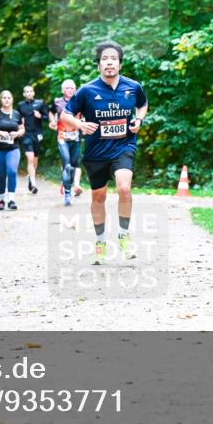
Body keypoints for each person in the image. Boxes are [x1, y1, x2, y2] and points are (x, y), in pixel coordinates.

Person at [60, 41, 148, 264]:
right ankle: (100, 242)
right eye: (104, 59)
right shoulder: (87, 90)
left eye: (113, 59)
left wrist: (138, 119)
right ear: (99, 64)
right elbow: (65, 115)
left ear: (120, 63)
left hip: (123, 146)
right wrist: (80, 125)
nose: (109, 63)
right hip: (96, 152)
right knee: (98, 197)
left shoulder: (133, 87)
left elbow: (143, 104)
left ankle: (124, 235)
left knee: (124, 187)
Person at [49, 79, 84, 206]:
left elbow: (86, 116)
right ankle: (68, 194)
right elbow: (51, 112)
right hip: (62, 137)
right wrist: (52, 121)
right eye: (68, 88)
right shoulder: (57, 102)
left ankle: (66, 185)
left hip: (76, 137)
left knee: (74, 166)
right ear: (63, 90)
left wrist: (84, 124)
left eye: (72, 88)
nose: (70, 90)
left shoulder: (80, 101)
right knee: (67, 164)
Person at [16, 84, 50, 194]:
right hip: (26, 135)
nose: (29, 93)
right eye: (27, 92)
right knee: (30, 158)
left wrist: (40, 116)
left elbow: (47, 118)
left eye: (31, 91)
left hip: (37, 135)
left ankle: (31, 178)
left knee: (35, 160)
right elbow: (16, 119)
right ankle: (34, 184)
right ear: (24, 94)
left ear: (33, 93)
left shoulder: (40, 103)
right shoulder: (20, 105)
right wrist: (20, 123)